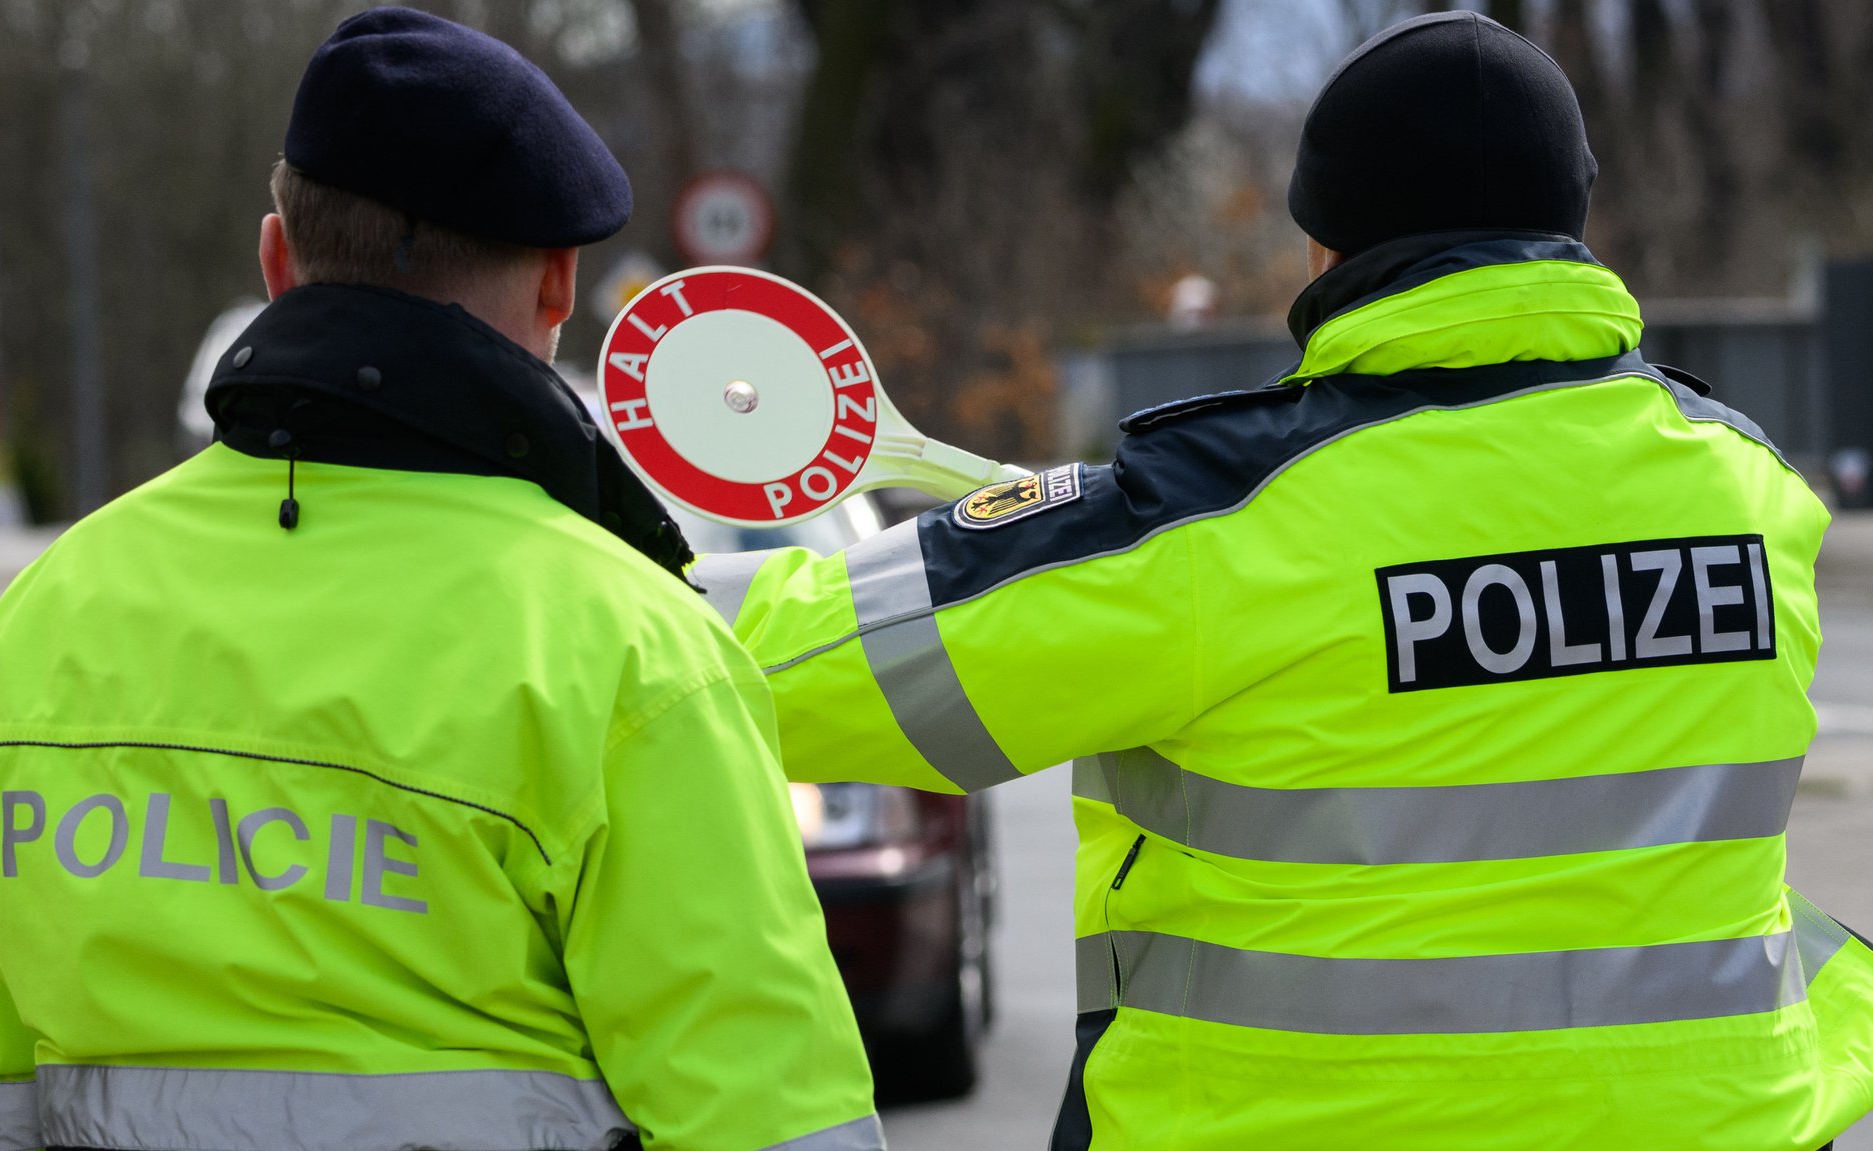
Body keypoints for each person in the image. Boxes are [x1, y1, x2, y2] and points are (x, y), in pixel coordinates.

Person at [696, 12, 1873, 1150]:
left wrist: (587, 574)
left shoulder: (1224, 515)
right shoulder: (1750, 490)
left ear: (1323, 249)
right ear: (1572, 222)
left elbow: (778, 672)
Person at [0, 9, 882, 1151]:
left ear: (278, 260)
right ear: (559, 287)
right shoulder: (628, 650)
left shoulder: (45, 617)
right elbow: (768, 1123)